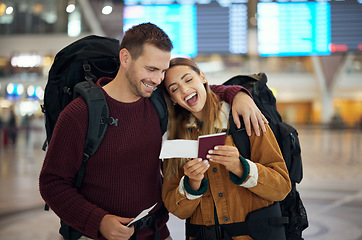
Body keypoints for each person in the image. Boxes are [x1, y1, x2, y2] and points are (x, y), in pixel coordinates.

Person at [39, 23, 266, 240]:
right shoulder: (80, 113)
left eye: (163, 71)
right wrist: (98, 221)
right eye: (151, 69)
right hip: (94, 236)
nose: (157, 79)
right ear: (125, 58)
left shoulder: (157, 101)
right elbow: (52, 183)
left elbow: (197, 92)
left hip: (157, 233)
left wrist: (238, 94)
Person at [161, 58, 291, 240]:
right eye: (174, 89)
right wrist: (192, 184)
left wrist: (241, 167)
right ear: (172, 99)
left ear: (203, 77)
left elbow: (282, 187)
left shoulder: (246, 118)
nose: (184, 89)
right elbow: (177, 210)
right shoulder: (174, 140)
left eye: (188, 79)